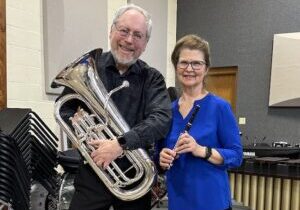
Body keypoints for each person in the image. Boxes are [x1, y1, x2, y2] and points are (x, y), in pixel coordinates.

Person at [57, 4, 172, 210]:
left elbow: (161, 119)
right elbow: (64, 108)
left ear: (145, 43)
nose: (129, 40)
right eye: (124, 30)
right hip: (92, 173)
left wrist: (120, 144)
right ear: (111, 31)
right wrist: (77, 126)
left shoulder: (152, 78)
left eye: (138, 35)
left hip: (134, 178)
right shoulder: (89, 68)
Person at [158, 34, 243, 210]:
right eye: (183, 62)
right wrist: (161, 158)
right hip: (178, 202)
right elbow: (158, 153)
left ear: (206, 69)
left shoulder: (220, 107)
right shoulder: (167, 111)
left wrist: (201, 150)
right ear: (176, 66)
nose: (189, 68)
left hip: (212, 202)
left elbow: (236, 156)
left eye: (196, 63)